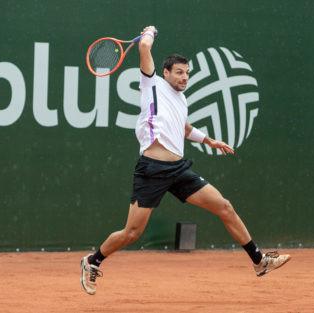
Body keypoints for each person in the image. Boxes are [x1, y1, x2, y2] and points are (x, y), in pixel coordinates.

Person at [80, 26, 291, 295]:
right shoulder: (151, 84)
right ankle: (92, 261)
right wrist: (150, 31)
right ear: (165, 73)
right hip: (152, 170)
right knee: (131, 233)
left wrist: (209, 140)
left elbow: (184, 128)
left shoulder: (181, 99)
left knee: (224, 207)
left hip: (178, 169)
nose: (184, 77)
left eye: (187, 73)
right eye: (179, 72)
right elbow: (144, 48)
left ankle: (259, 261)